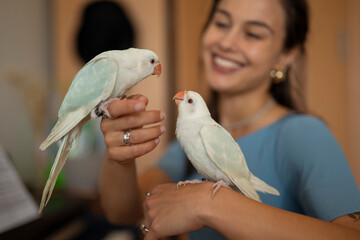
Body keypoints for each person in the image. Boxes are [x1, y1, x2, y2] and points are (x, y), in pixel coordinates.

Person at [98, 0, 360, 239]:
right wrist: (118, 157)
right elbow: (125, 211)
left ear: (286, 54)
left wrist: (209, 205)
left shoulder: (305, 133)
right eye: (222, 23)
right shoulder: (187, 139)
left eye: (253, 33)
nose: (228, 42)